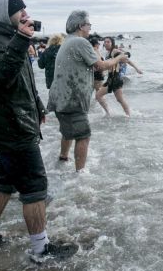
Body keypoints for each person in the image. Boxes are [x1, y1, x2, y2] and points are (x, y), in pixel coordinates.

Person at [0, 0, 77, 262]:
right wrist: (21, 40)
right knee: (34, 187)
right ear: (3, 14)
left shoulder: (5, 38)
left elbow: (21, 81)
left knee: (5, 182)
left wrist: (38, 105)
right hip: (13, 127)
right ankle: (41, 250)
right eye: (19, 10)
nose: (26, 15)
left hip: (12, 122)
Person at [47, 11, 129, 171]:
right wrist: (120, 58)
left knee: (68, 132)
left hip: (59, 98)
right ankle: (80, 177)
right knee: (83, 135)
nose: (90, 28)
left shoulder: (67, 41)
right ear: (80, 26)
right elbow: (101, 65)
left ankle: (63, 159)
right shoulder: (80, 42)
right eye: (89, 25)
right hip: (72, 99)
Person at [95, 37, 143, 117]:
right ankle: (125, 115)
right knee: (119, 99)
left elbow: (127, 59)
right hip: (111, 78)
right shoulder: (108, 53)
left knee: (99, 96)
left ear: (112, 43)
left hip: (115, 78)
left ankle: (114, 114)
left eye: (108, 42)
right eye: (105, 42)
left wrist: (137, 69)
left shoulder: (115, 51)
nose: (106, 43)